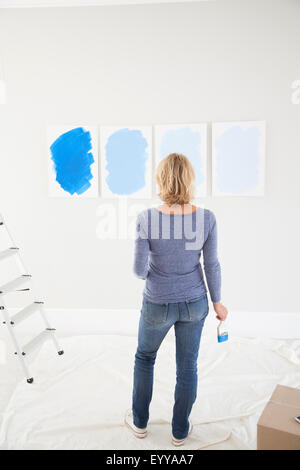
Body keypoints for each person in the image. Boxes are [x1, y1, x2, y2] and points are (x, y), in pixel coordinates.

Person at [125, 153, 228, 446]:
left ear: (160, 179)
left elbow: (137, 269)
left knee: (145, 358)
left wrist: (157, 273)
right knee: (188, 366)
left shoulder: (146, 218)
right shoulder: (207, 218)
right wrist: (218, 301)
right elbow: (212, 265)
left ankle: (140, 423)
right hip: (195, 302)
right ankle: (180, 431)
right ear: (190, 180)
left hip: (157, 302)